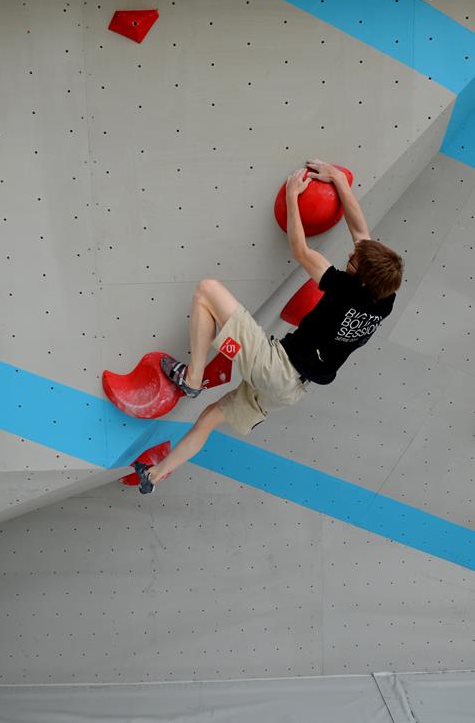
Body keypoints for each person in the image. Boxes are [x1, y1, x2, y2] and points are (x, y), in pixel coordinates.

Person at [134, 159, 404, 493]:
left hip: (275, 367)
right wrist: (339, 181)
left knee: (207, 291)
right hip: (288, 392)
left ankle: (191, 378)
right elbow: (362, 235)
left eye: (352, 261)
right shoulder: (384, 297)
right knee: (209, 418)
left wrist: (292, 198)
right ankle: (155, 475)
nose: (351, 254)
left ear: (359, 277)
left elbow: (300, 249)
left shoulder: (343, 289)